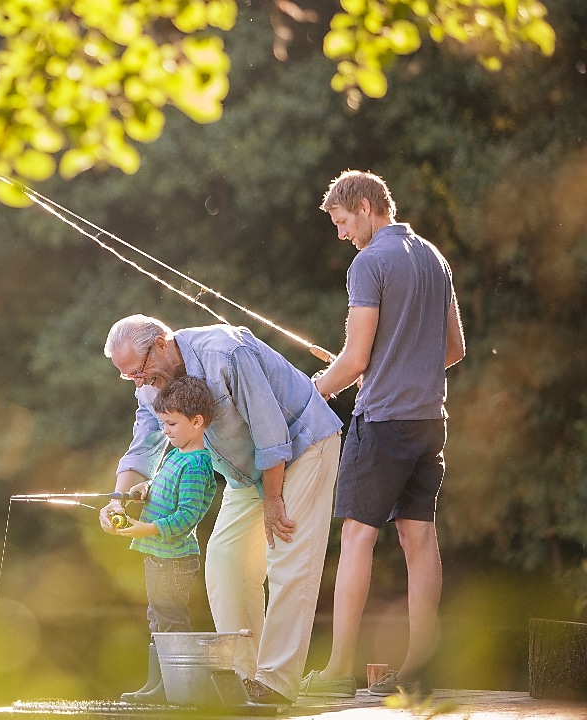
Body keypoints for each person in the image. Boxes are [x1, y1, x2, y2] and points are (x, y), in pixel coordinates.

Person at [100, 316, 343, 705]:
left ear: (162, 343)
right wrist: (117, 498)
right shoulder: (149, 385)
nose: (139, 382)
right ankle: (243, 676)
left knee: (287, 557)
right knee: (225, 559)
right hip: (244, 469)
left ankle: (276, 681)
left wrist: (273, 499)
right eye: (129, 377)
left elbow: (270, 430)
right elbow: (145, 440)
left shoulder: (225, 352)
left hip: (301, 444)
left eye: (140, 370)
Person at [300, 170, 466, 698]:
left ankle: (338, 670)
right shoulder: (435, 258)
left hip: (383, 422)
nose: (342, 234)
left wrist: (314, 391)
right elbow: (454, 349)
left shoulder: (369, 263)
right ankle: (420, 667)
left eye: (344, 222)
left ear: (368, 206)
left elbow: (353, 360)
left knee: (356, 537)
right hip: (429, 421)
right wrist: (398, 365)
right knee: (420, 537)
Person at [112, 376, 219, 704]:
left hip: (174, 559)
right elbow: (162, 486)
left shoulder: (198, 465)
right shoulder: (176, 454)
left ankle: (180, 689)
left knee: (172, 620)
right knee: (158, 618)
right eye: (163, 423)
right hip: (158, 557)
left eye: (171, 423)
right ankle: (157, 686)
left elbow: (186, 517)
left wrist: (145, 529)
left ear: (197, 422)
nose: (167, 431)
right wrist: (144, 489)